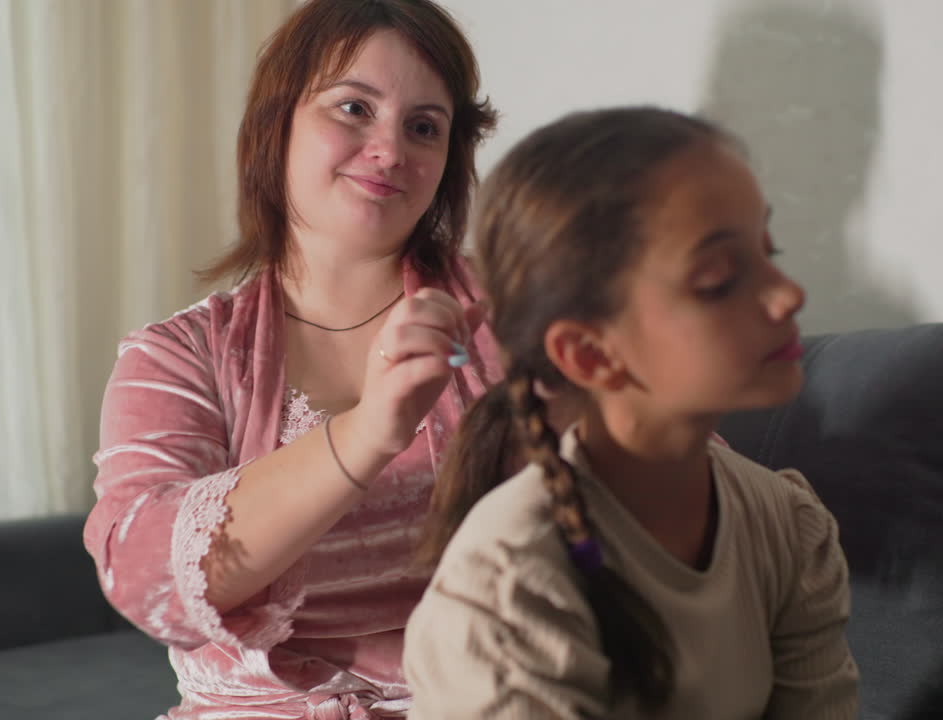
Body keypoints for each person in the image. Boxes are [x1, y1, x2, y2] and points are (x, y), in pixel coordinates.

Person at [82, 1, 498, 717]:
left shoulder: (515, 312)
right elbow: (148, 579)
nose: (390, 149)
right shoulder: (177, 355)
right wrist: (368, 434)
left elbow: (650, 520)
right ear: (276, 126)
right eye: (353, 108)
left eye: (424, 127)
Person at [403, 107, 860, 719]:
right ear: (590, 354)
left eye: (767, 251)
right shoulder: (509, 598)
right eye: (720, 278)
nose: (788, 293)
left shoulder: (786, 526)